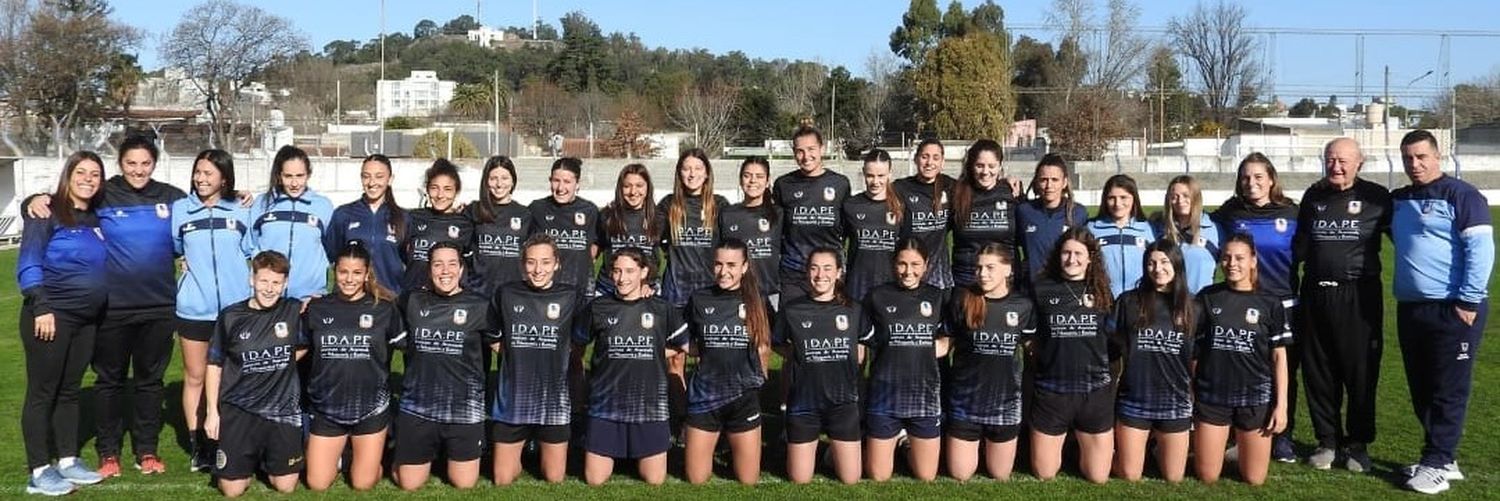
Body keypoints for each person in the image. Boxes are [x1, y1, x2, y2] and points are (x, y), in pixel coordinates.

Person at [27, 138, 187, 477]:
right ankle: (108, 452)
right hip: (111, 309)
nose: (138, 170)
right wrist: (34, 199)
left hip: (159, 307)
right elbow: (67, 201)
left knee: (150, 382)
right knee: (109, 382)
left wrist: (238, 194)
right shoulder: (103, 194)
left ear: (154, 164)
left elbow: (206, 207)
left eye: (145, 163)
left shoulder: (173, 198)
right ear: (120, 163)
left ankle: (147, 450)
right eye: (131, 163)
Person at [1391, 130, 1493, 495]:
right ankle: (1442, 458)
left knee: (1449, 388)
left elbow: (1481, 251)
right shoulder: (1400, 199)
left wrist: (1468, 301)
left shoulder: (1462, 195)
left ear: (1439, 156)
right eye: (1408, 158)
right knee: (1422, 388)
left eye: (1421, 157)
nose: (1414, 165)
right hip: (1412, 309)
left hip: (1454, 309)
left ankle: (1436, 461)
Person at [1293, 137, 1390, 473]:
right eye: (1330, 159)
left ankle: (1358, 444)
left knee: (1360, 372)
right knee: (1319, 371)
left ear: (1359, 162)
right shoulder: (1313, 196)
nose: (1336, 166)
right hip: (1316, 293)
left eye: (1343, 161)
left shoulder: (1377, 198)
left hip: (1358, 296)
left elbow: (1408, 237)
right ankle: (1328, 441)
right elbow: (1299, 245)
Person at [17, 152, 108, 495]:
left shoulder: (95, 217)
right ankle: (39, 470)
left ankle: (68, 460)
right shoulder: (46, 212)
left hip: (86, 320)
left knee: (69, 391)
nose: (88, 178)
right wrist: (41, 306)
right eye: (81, 172)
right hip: (50, 317)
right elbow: (29, 261)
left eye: (95, 173)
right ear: (68, 175)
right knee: (43, 392)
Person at [1213, 152, 1301, 463]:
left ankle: (1282, 436)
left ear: (1271, 179)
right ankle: (1240, 433)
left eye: (1258, 177)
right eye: (1245, 178)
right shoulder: (1231, 211)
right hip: (1242, 303)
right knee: (1241, 366)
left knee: (1283, 370)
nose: (1251, 183)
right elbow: (1203, 225)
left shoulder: (1291, 212)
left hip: (1283, 303)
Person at [573, 248, 686, 486]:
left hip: (649, 407)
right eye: (616, 271)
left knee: (654, 480)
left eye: (630, 271)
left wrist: (656, 352)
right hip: (605, 406)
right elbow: (577, 346)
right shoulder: (598, 307)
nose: (622, 278)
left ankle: (632, 450)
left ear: (644, 272)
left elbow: (685, 345)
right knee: (595, 479)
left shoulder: (661, 308)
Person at [171, 149, 254, 473]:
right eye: (198, 172)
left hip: (235, 310)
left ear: (224, 177)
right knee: (195, 377)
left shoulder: (241, 209)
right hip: (194, 309)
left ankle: (230, 438)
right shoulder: (181, 210)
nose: (201, 179)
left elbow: (252, 251)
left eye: (208, 173)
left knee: (234, 378)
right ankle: (199, 447)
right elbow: (176, 249)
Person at [392, 242, 497, 491]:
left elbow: (500, 346)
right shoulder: (411, 301)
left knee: (464, 483)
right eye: (438, 264)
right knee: (409, 484)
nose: (445, 271)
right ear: (429, 270)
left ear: (461, 269)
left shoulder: (480, 305)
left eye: (452, 264)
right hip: (418, 406)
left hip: (464, 406)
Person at [204, 251, 307, 497]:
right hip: (240, 409)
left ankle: (265, 459)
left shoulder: (293, 310)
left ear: (285, 284)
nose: (269, 289)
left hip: (282, 409)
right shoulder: (231, 316)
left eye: (276, 283)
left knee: (286, 486)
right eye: (263, 281)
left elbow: (304, 345)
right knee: (232, 490)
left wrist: (279, 363)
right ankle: (246, 461)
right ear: (252, 279)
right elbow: (214, 364)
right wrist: (211, 412)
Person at [302, 242, 403, 491]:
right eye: (343, 272)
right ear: (334, 272)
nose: (349, 279)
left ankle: (375, 456)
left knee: (363, 483)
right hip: (327, 408)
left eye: (357, 273)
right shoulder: (316, 308)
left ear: (367, 274)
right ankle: (347, 454)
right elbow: (297, 350)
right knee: (317, 483)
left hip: (371, 407)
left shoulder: (384, 309)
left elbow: (413, 350)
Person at [1193, 234, 1292, 486]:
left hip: (1254, 396)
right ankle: (1215, 447)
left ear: (1253, 261)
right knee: (1207, 476)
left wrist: (1280, 407)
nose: (1232, 263)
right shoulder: (1208, 297)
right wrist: (1192, 390)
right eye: (1226, 257)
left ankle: (1240, 447)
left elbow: (1279, 357)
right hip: (1213, 396)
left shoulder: (1270, 303)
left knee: (1254, 479)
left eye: (1239, 258)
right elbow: (1193, 350)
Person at [489, 235, 583, 485]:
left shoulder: (570, 296)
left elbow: (582, 338)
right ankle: (521, 453)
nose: (538, 269)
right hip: (513, 402)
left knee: (554, 478)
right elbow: (490, 333)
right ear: (522, 264)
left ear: (556, 264)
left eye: (544, 262)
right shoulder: (506, 293)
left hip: (553, 402)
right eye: (531, 262)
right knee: (502, 479)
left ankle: (537, 449)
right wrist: (513, 353)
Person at [775, 247, 868, 485]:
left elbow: (866, 341)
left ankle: (830, 451)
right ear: (807, 272)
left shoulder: (854, 309)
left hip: (843, 403)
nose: (820, 275)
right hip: (805, 404)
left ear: (839, 272)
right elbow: (777, 344)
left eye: (828, 268)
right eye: (814, 268)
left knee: (850, 478)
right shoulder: (792, 309)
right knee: (800, 478)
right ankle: (806, 445)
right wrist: (797, 353)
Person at [682, 240, 772, 485]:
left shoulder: (758, 300)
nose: (724, 271)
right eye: (718, 264)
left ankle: (731, 444)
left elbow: (766, 343)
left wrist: (761, 377)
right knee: (696, 479)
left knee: (748, 480)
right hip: (705, 398)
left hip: (743, 398)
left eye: (731, 265)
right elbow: (686, 342)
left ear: (744, 267)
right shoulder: (700, 298)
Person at [1110, 240, 1200, 483]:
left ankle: (1155, 446)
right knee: (1130, 475)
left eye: (1164, 262)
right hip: (1135, 400)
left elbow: (1195, 358)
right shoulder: (1128, 302)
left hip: (1175, 400)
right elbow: (1110, 350)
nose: (1157, 268)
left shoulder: (1193, 306)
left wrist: (1195, 393)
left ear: (1177, 264)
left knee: (1174, 477)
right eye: (1151, 262)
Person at [1029, 228, 1115, 484]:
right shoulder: (1042, 288)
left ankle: (1079, 441)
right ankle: (1064, 439)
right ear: (1058, 256)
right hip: (1052, 390)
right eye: (1066, 253)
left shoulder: (1102, 290)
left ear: (1090, 258)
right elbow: (1031, 340)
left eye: (1078, 253)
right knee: (1045, 474)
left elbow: (1112, 339)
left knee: (1098, 477)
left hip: (1094, 390)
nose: (1071, 259)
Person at [862, 238, 949, 482]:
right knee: (878, 476)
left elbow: (948, 338)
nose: (908, 271)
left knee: (926, 475)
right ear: (893, 264)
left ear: (926, 266)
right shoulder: (877, 296)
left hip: (923, 394)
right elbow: (863, 342)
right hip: (884, 394)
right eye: (902, 264)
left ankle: (904, 445)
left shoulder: (937, 297)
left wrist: (937, 348)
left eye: (915, 264)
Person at [944, 243, 1033, 482]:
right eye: (979, 268)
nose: (982, 274)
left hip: (1005, 403)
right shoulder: (962, 300)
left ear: (1008, 270)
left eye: (990, 267)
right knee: (961, 473)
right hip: (965, 402)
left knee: (1000, 474)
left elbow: (1033, 348)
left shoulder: (1023, 306)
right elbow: (944, 346)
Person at [773, 124, 850, 302]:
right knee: (792, 326)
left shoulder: (840, 184)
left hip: (828, 273)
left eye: (811, 149)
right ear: (794, 153)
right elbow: (779, 229)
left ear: (822, 149)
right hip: (794, 273)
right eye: (800, 151)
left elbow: (846, 229)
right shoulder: (784, 185)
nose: (806, 156)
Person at [251, 145, 334, 300]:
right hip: (269, 298)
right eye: (288, 176)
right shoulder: (262, 203)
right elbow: (252, 246)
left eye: (300, 175)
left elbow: (329, 249)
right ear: (279, 175)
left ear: (308, 174)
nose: (295, 183)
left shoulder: (323, 206)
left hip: (309, 299)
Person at [325, 154, 407, 295]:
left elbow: (410, 261)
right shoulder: (343, 214)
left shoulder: (403, 217)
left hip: (390, 298)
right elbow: (330, 256)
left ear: (390, 179)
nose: (372, 182)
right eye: (366, 176)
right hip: (351, 298)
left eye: (379, 176)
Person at [658, 148, 727, 307]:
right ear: (679, 173)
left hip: (710, 288)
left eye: (698, 168)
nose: (692, 174)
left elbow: (730, 248)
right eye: (686, 169)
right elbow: (652, 238)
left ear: (707, 173)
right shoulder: (668, 204)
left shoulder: (720, 205)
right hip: (676, 291)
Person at [950, 139, 1020, 288]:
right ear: (971, 165)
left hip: (1005, 284)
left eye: (992, 166)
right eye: (979, 166)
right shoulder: (957, 192)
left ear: (1000, 166)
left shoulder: (1011, 192)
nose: (985, 172)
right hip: (966, 281)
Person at [530, 157, 601, 295]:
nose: (561, 188)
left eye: (567, 182)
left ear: (577, 183)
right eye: (556, 181)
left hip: (580, 290)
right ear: (550, 180)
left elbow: (595, 246)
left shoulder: (590, 210)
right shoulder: (537, 209)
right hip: (545, 289)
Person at [401, 159, 474, 292]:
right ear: (427, 189)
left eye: (447, 189)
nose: (440, 195)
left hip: (446, 303)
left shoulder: (466, 224)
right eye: (435, 188)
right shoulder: (413, 217)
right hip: (412, 297)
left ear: (456, 192)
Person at [842, 149, 905, 301]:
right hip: (856, 289)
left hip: (890, 289)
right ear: (863, 172)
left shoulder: (900, 205)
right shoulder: (851, 205)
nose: (875, 182)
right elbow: (838, 244)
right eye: (870, 175)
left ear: (890, 173)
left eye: (881, 176)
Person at [719, 157, 783, 306]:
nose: (753, 181)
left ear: (767, 181)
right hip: (736, 293)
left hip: (770, 293)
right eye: (747, 176)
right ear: (740, 180)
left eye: (759, 176)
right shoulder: (727, 214)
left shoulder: (779, 214)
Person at [893, 138, 955, 289]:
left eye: (936, 157)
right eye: (924, 156)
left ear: (942, 161)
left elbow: (980, 184)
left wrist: (1007, 181)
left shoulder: (951, 186)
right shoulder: (900, 188)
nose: (929, 162)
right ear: (916, 159)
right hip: (908, 270)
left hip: (939, 275)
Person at [467, 155, 534, 295]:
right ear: (486, 181)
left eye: (504, 178)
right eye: (493, 178)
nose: (499, 184)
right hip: (479, 291)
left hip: (513, 293)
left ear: (513, 181)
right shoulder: (473, 210)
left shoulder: (525, 214)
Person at [1018, 154, 1089, 281]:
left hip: (1065, 286)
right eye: (1043, 179)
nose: (1048, 185)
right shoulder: (1024, 211)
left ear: (1064, 182)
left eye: (1055, 180)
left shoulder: (1078, 213)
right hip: (1031, 288)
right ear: (1037, 181)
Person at [596, 163, 659, 298]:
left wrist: (647, 282)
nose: (633, 192)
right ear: (620, 188)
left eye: (639, 186)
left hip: (645, 289)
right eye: (627, 186)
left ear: (648, 187)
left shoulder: (659, 217)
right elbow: (595, 248)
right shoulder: (607, 215)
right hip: (608, 288)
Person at [1088, 174, 1154, 298]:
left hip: (1139, 301)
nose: (1117, 203)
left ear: (1134, 198)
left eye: (1124, 197)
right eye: (1111, 198)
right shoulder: (1091, 229)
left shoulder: (1149, 229)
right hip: (1102, 301)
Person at [1153, 175, 1221, 294]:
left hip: (1201, 303)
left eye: (1186, 195)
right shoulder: (1158, 228)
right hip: (1166, 303)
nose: (1180, 201)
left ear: (1195, 197)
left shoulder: (1215, 229)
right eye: (1174, 197)